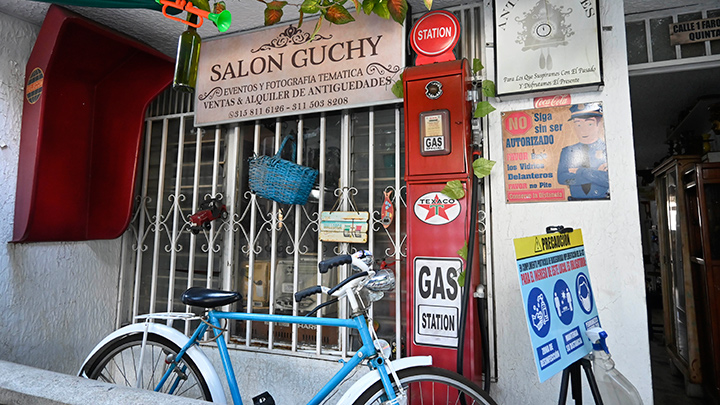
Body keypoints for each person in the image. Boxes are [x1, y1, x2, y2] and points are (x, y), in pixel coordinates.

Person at [557, 103, 610, 200]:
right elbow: (562, 178)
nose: (583, 130)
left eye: (590, 124)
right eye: (578, 124)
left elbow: (608, 180)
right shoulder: (567, 151)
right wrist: (596, 174)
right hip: (575, 202)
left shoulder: (607, 149)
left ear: (599, 125)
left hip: (602, 201)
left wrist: (581, 172)